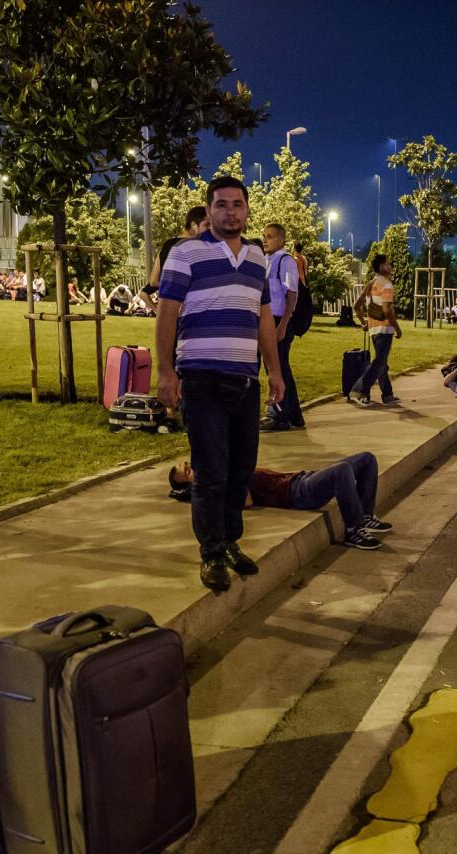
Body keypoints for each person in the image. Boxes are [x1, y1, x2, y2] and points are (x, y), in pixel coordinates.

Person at [156, 175, 284, 594]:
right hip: (201, 376)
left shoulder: (256, 258)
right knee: (211, 472)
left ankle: (229, 541)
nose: (231, 211)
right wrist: (165, 371)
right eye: (222, 204)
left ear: (247, 210)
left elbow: (263, 317)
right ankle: (210, 552)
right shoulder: (185, 253)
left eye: (237, 204)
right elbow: (168, 313)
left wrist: (275, 371)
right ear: (209, 210)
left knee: (240, 469)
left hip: (244, 380)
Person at [168, 452, 393, 551]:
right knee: (342, 470)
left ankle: (364, 515)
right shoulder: (221, 485)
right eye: (187, 471)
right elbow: (245, 501)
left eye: (188, 464)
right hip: (297, 494)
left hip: (300, 478)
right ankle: (354, 530)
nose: (192, 466)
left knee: (366, 459)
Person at [259, 223, 303, 432]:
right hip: (267, 320)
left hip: (278, 321)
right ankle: (294, 415)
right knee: (281, 367)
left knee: (275, 368)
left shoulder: (285, 262)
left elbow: (291, 294)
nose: (265, 240)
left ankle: (278, 415)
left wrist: (283, 325)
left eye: (270, 236)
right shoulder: (267, 261)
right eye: (264, 236)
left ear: (281, 240)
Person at [350, 253, 401, 406]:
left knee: (381, 363)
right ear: (381, 267)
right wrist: (397, 328)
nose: (390, 266)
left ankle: (388, 394)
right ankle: (359, 391)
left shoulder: (370, 284)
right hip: (385, 329)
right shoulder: (386, 284)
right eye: (387, 264)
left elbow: (357, 306)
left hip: (373, 328)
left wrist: (363, 322)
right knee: (379, 362)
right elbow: (387, 310)